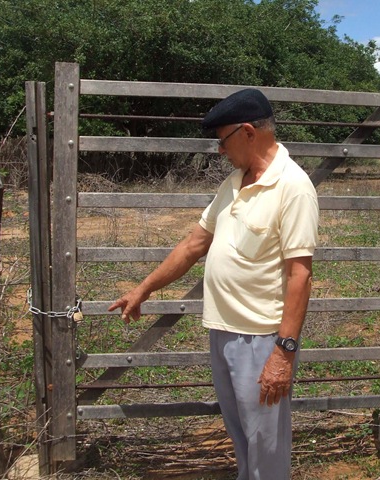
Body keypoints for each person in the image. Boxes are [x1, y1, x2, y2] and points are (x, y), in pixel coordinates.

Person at [109, 88, 319, 479]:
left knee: (265, 444)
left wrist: (283, 352)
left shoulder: (293, 187)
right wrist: (144, 289)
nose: (220, 151)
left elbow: (300, 275)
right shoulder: (235, 183)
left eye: (223, 141)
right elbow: (194, 244)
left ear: (247, 132)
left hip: (261, 341)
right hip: (223, 334)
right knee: (242, 434)